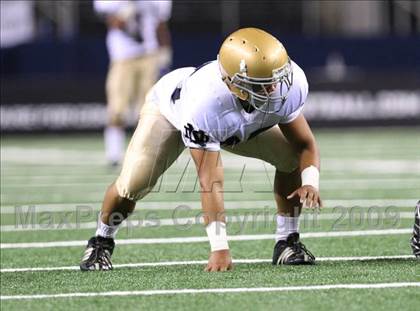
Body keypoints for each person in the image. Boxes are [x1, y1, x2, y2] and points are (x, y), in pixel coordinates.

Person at [80, 27, 322, 272]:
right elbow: (210, 180)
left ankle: (287, 242)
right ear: (234, 84)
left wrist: (310, 181)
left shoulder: (289, 86)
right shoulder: (204, 103)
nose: (274, 90)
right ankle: (100, 241)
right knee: (133, 184)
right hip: (169, 113)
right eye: (262, 85)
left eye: (275, 80)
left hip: (236, 121)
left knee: (292, 158)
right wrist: (219, 248)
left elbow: (305, 144)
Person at [94, 0, 172, 166]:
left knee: (148, 110)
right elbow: (112, 22)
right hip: (122, 56)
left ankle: (145, 154)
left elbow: (161, 25)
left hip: (149, 56)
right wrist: (124, 12)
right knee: (117, 109)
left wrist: (165, 50)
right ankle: (114, 155)